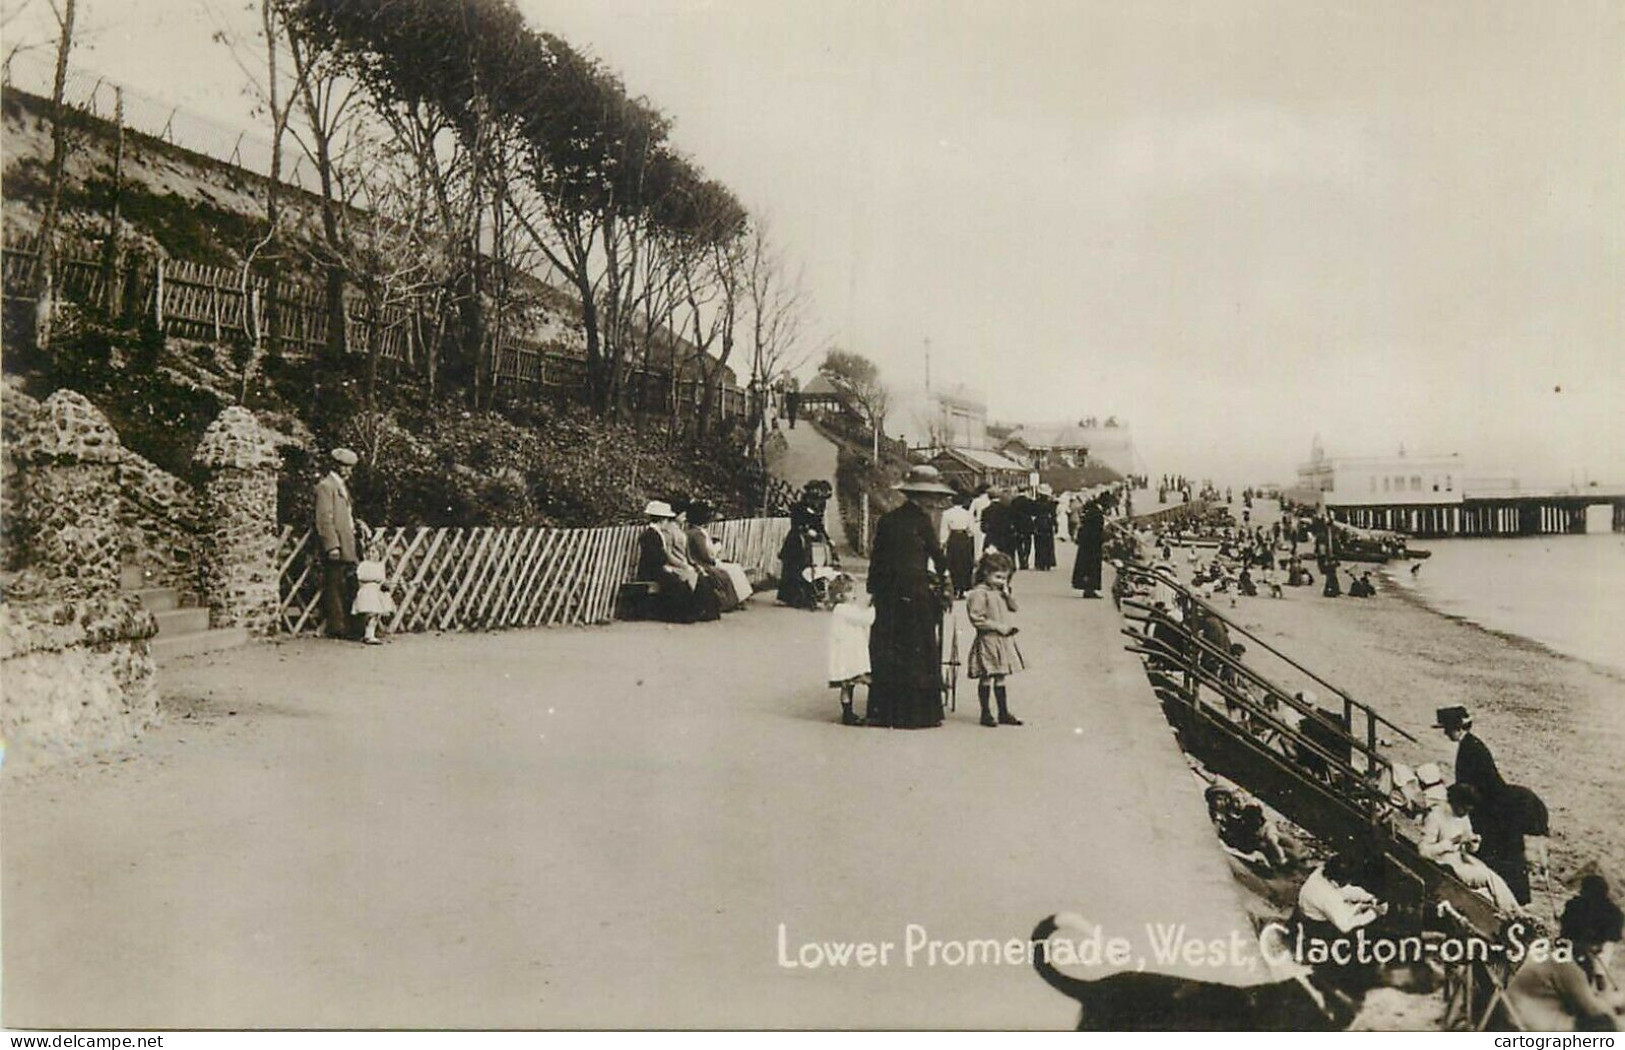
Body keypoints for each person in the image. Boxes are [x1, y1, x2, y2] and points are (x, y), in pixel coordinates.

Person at [866, 466, 955, 729]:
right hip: (915, 593)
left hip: (888, 593)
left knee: (889, 647)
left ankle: (885, 711)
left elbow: (877, 559)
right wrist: (946, 578)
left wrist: (873, 590)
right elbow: (937, 555)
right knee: (918, 649)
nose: (935, 502)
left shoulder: (888, 520)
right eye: (931, 497)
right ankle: (917, 713)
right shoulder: (923, 521)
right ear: (921, 497)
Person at [1437, 704, 1540, 904]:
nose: (1446, 734)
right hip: (1491, 806)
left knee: (1494, 852)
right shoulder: (1472, 745)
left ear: (1457, 728)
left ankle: (1505, 897)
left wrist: (1451, 794)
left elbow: (1473, 785)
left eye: (1447, 729)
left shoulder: (1470, 749)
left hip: (1492, 810)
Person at [1505, 876, 1625, 1031]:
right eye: (1597, 943)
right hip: (1527, 1025)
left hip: (1524, 1015)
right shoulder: (1566, 964)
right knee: (1605, 1024)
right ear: (1584, 936)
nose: (1601, 949)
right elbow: (1593, 1009)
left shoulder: (1558, 953)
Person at [1420, 784, 1524, 914]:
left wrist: (1473, 842)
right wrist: (1451, 842)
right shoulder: (1435, 817)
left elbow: (1469, 844)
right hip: (1445, 865)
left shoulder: (1463, 816)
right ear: (1456, 802)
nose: (1465, 813)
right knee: (1489, 877)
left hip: (1461, 860)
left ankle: (1504, 912)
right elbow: (1423, 851)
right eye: (1464, 809)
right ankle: (1514, 912)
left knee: (1489, 881)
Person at [966, 551, 1025, 728]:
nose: (1001, 581)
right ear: (986, 573)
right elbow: (977, 618)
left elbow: (1014, 608)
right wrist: (999, 627)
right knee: (987, 675)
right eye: (998, 577)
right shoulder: (979, 593)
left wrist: (1007, 594)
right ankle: (985, 712)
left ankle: (1003, 712)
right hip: (989, 640)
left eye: (1004, 578)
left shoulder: (1000, 592)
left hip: (1002, 641)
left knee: (1000, 676)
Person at [315, 447, 365, 640]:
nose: (349, 471)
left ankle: (352, 627)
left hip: (348, 542)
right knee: (335, 585)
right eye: (346, 467)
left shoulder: (341, 487)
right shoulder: (326, 486)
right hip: (337, 544)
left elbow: (346, 516)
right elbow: (324, 519)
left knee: (349, 584)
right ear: (337, 466)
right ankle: (338, 627)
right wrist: (331, 545)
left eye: (350, 468)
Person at [636, 500, 700, 623]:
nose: (667, 523)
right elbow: (653, 557)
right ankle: (676, 615)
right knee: (676, 583)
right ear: (661, 520)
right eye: (666, 520)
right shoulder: (649, 535)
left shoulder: (656, 533)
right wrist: (664, 566)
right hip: (650, 570)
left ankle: (683, 613)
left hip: (658, 568)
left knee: (678, 581)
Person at [778, 480, 835, 610]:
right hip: (796, 541)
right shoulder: (799, 507)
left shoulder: (818, 507)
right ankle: (793, 597)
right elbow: (796, 523)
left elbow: (819, 525)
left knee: (810, 566)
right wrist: (805, 529)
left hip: (811, 542)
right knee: (793, 568)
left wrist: (828, 538)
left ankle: (808, 595)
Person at [684, 499, 750, 611]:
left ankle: (739, 598)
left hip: (705, 561)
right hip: (702, 563)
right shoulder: (696, 534)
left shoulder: (695, 531)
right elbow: (704, 555)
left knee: (735, 568)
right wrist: (715, 555)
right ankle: (731, 601)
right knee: (730, 571)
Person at [826, 575, 874, 727]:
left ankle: (848, 712)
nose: (854, 594)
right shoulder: (843, 609)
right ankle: (849, 714)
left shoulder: (843, 609)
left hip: (847, 651)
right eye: (850, 591)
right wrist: (874, 607)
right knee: (855, 681)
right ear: (840, 596)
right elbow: (866, 619)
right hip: (849, 654)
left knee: (847, 685)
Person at [351, 536, 396, 645]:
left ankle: (370, 634)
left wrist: (385, 585)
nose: (371, 554)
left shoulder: (380, 566)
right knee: (370, 614)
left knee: (376, 615)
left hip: (376, 593)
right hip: (367, 592)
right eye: (369, 551)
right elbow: (360, 578)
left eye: (374, 552)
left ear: (380, 553)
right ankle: (368, 634)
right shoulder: (364, 565)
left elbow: (381, 580)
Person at [939, 492, 977, 598]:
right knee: (965, 562)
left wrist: (943, 542)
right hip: (964, 538)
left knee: (954, 563)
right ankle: (964, 588)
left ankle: (956, 587)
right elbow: (971, 529)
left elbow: (944, 529)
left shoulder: (946, 513)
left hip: (953, 537)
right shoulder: (967, 513)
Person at [1071, 495, 1104, 598]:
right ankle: (1090, 589)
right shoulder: (1096, 512)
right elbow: (1098, 529)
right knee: (1092, 567)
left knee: (1085, 566)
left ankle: (1087, 587)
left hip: (1086, 544)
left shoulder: (1088, 512)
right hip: (1094, 544)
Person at [1032, 486, 1058, 570]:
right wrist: (1055, 525)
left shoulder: (1036, 503)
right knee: (1048, 543)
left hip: (1039, 523)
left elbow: (1033, 513)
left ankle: (1040, 562)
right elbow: (1054, 515)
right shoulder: (1051, 504)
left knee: (1039, 544)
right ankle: (1048, 562)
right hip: (1048, 524)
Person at [1009, 490, 1037, 570]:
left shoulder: (1014, 501)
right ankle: (1026, 558)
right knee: (1028, 542)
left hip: (1017, 523)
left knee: (1018, 544)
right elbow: (1033, 512)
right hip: (1027, 523)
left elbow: (1011, 513)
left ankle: (1021, 560)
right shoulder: (1029, 501)